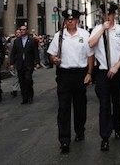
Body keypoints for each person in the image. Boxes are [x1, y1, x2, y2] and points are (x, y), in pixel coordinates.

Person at [47, 9, 95, 154]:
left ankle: (80, 130)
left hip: (80, 74)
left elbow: (90, 56)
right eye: (68, 19)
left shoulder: (85, 35)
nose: (70, 21)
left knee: (80, 106)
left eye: (73, 19)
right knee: (63, 108)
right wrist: (54, 59)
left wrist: (89, 73)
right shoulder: (59, 36)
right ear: (64, 21)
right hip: (64, 75)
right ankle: (64, 140)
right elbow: (51, 54)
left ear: (77, 21)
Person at [88, 2, 120, 152]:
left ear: (114, 15)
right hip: (102, 72)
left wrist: (117, 66)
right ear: (102, 15)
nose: (108, 16)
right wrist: (102, 30)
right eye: (106, 14)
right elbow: (91, 44)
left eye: (111, 14)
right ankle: (105, 137)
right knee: (104, 104)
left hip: (118, 71)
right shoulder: (96, 29)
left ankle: (117, 126)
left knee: (118, 102)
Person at [10, 25, 40, 104]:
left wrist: (37, 62)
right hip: (20, 64)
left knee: (28, 79)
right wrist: (12, 63)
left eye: (24, 30)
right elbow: (13, 53)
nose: (22, 31)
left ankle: (30, 95)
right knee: (22, 81)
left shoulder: (32, 41)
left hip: (29, 63)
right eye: (21, 30)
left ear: (27, 31)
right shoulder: (17, 41)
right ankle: (24, 97)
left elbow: (35, 52)